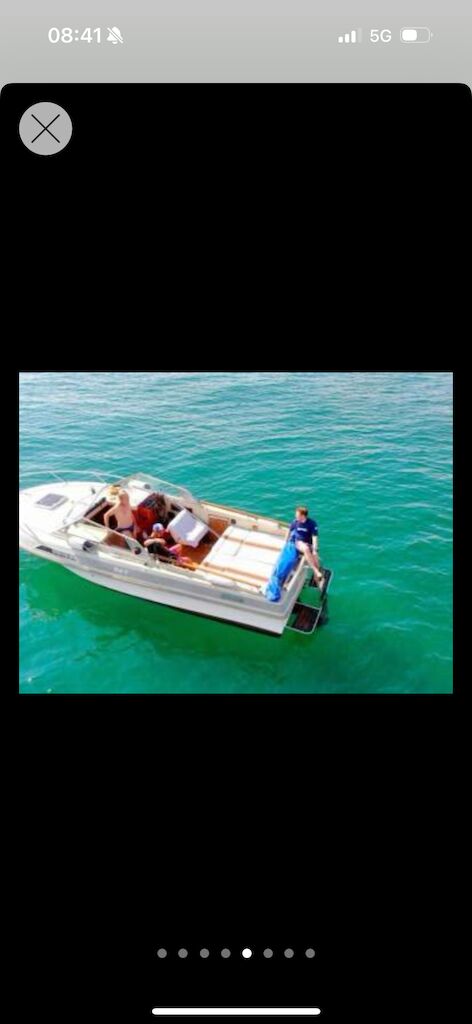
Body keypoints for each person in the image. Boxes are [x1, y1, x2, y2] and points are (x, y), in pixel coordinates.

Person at [288, 506, 325, 588]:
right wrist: (286, 542)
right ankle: (316, 571)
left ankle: (317, 581)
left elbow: (314, 537)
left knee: (316, 560)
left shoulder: (312, 523)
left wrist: (315, 550)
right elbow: (289, 531)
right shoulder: (295, 522)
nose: (295, 516)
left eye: (297, 515)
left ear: (303, 516)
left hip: (309, 543)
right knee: (306, 549)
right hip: (298, 543)